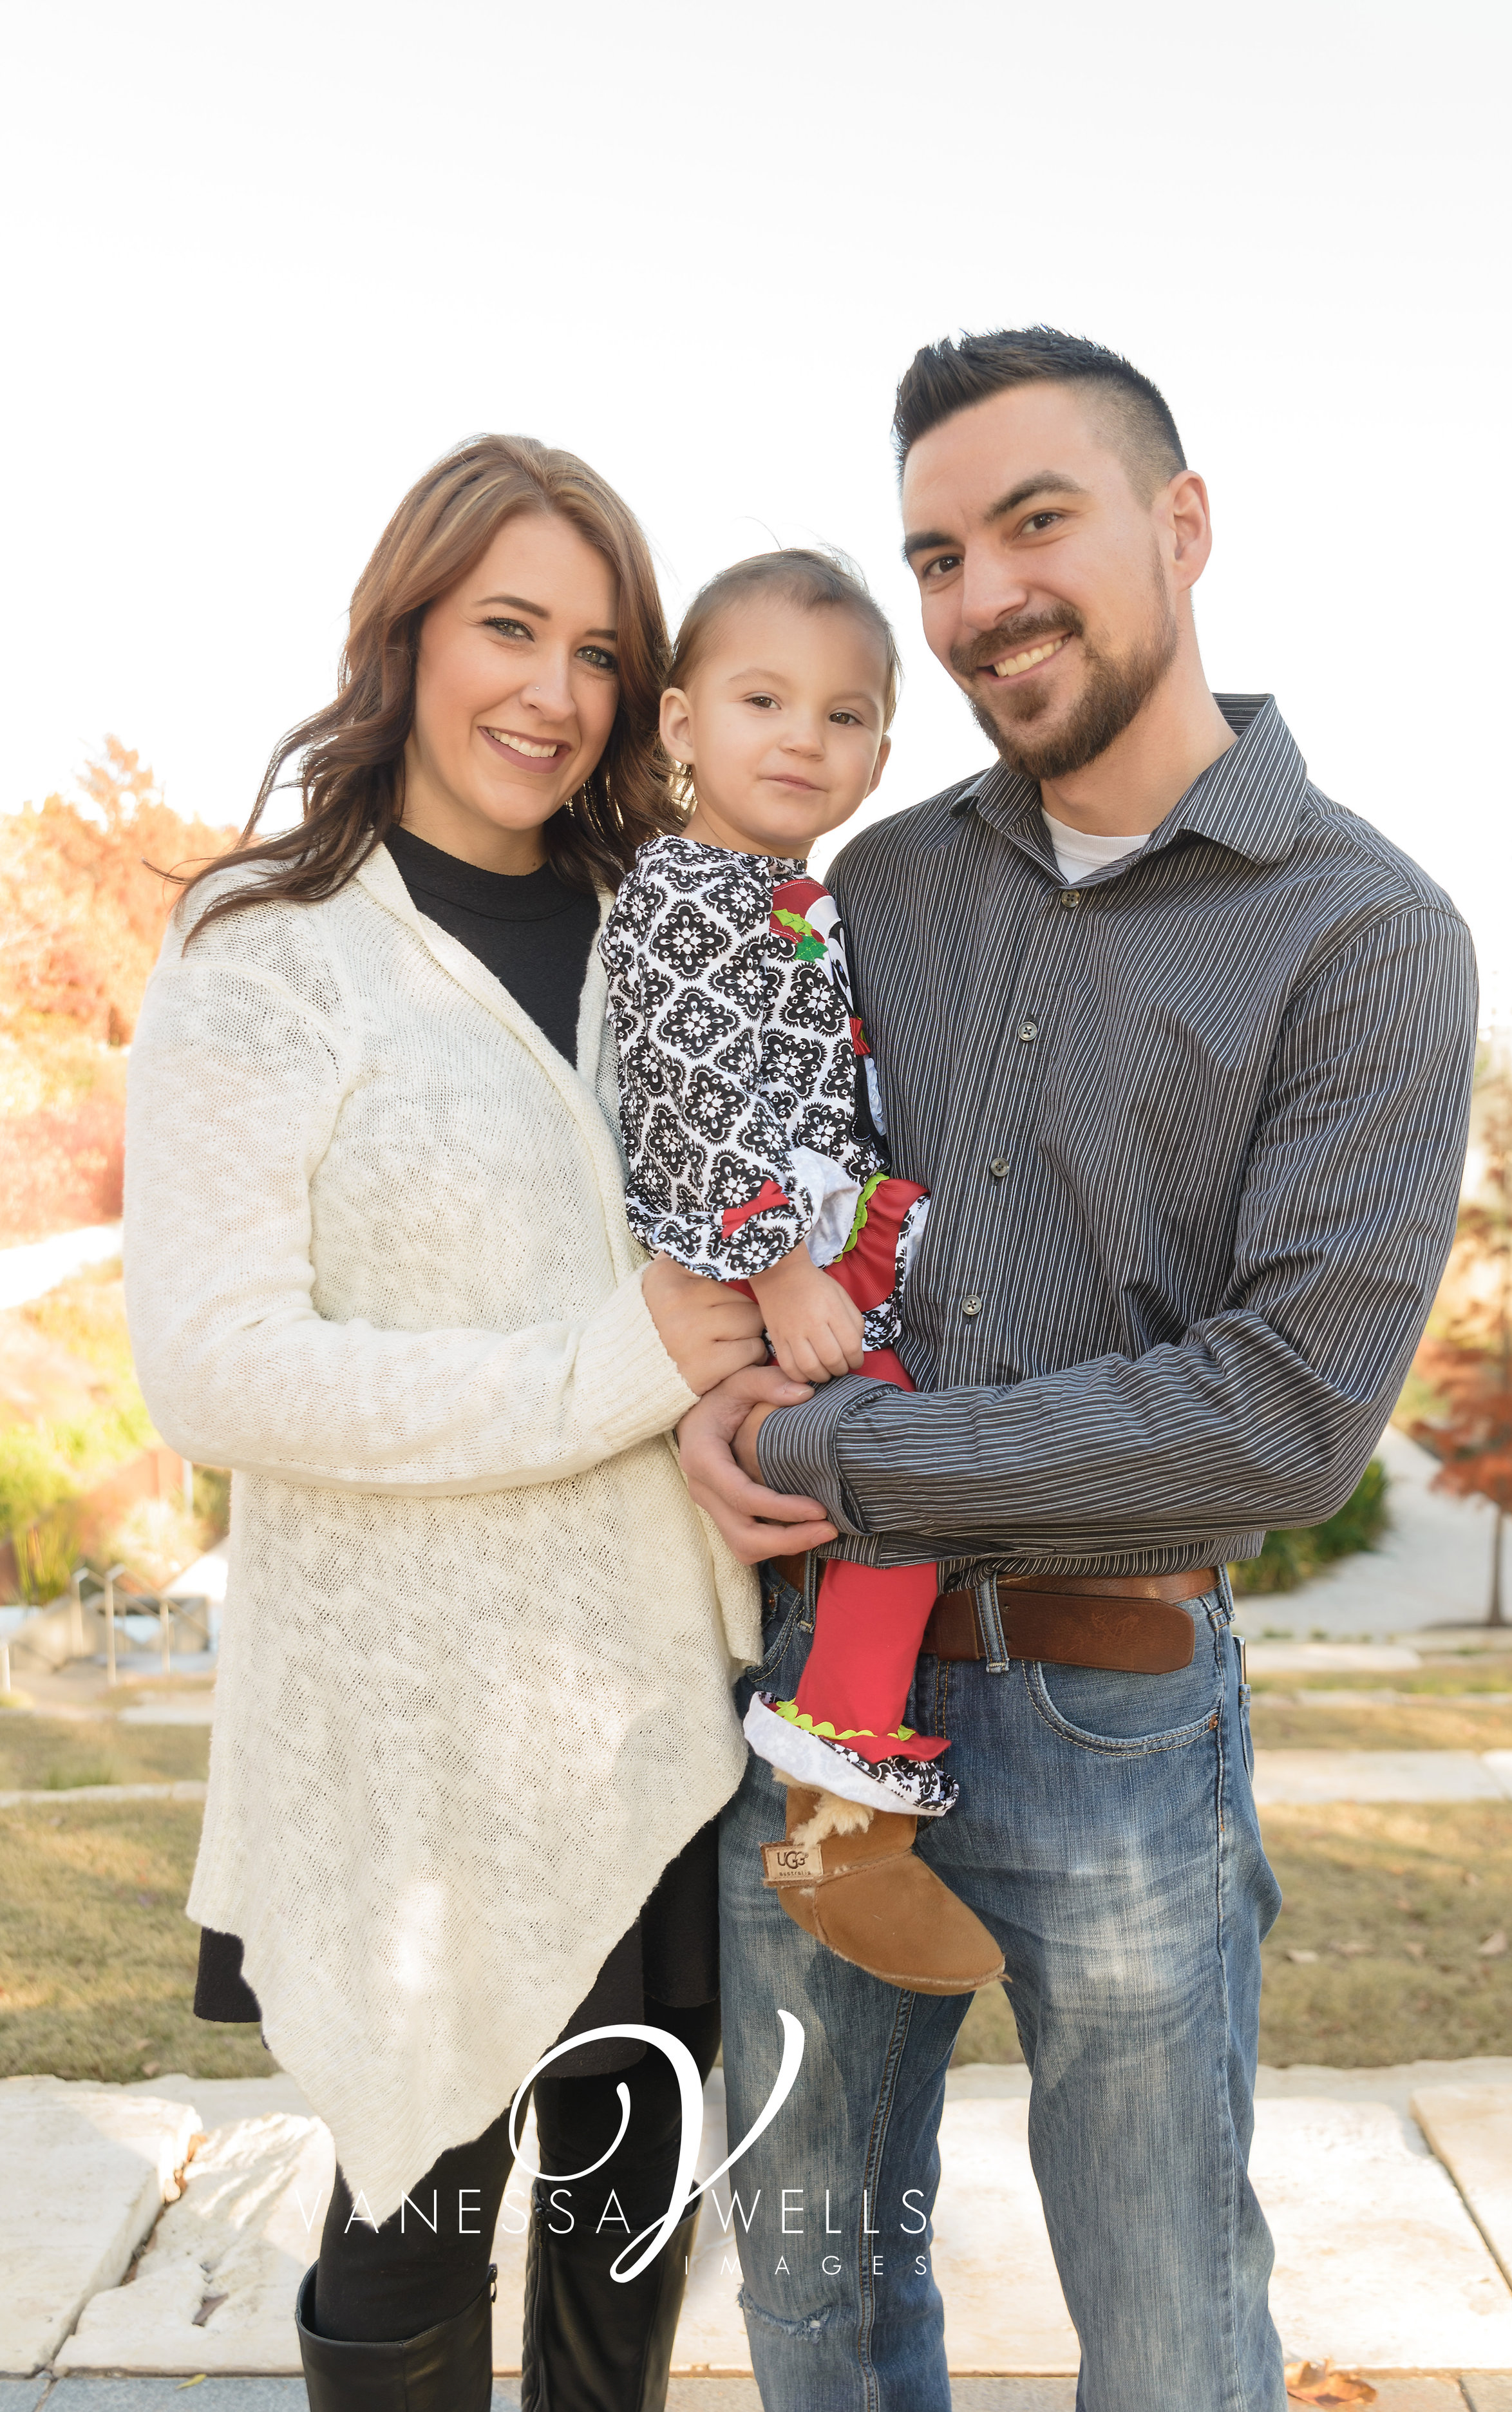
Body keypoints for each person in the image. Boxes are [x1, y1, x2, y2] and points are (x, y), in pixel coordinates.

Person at [677, 329, 1479, 2411]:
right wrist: (701, 1371)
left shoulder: (1364, 933)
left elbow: (1278, 1414)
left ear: (1181, 523)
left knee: (1170, 2323)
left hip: (1117, 1706)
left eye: (1036, 523)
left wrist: (846, 1447)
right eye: (939, 552)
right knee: (816, 2292)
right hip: (821, 1705)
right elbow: (748, 1181)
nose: (979, 598)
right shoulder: (879, 884)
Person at [122, 435, 809, 2412]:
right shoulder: (273, 944)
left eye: (598, 651)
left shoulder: (667, 925)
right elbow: (219, 1365)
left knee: (630, 2230)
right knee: (410, 2216)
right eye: (507, 626)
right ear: (406, 630)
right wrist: (615, 1366)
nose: (550, 690)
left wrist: (749, 1405)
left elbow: (751, 1248)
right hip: (405, 1738)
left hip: (661, 1716)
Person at [598, 548, 1004, 1998]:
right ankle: (834, 1831)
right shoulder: (684, 895)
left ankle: (847, 1815)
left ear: (880, 752)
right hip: (769, 1258)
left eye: (842, 717)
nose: (801, 738)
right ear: (677, 722)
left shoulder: (787, 893)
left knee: (889, 1501)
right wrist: (778, 1269)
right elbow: (690, 1091)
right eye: (761, 698)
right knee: (895, 1471)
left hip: (825, 1244)